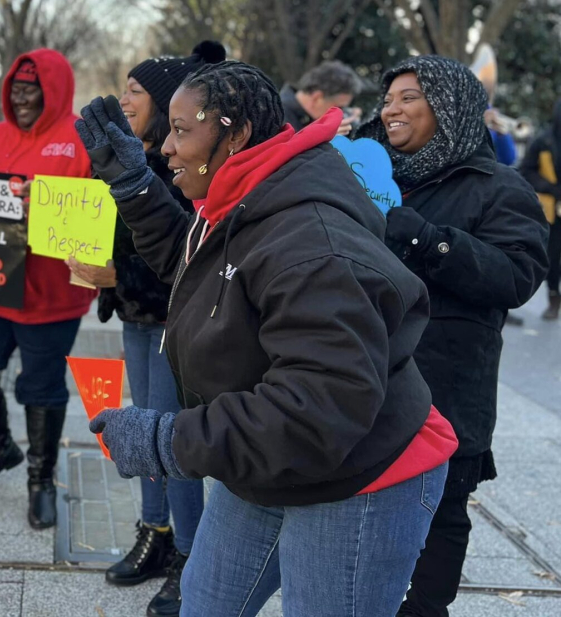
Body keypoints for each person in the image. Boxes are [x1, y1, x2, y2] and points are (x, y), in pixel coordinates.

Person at [76, 62, 458, 616]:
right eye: (170, 129)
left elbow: (320, 407)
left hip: (361, 475)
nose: (165, 148)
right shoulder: (249, 193)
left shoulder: (309, 239)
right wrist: (134, 188)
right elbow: (198, 265)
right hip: (266, 460)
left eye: (183, 131)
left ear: (237, 134)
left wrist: (168, 439)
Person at [356, 55, 548, 617]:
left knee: (439, 511)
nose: (391, 108)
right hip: (364, 374)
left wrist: (429, 240)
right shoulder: (367, 175)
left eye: (408, 97)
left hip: (447, 381)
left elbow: (517, 276)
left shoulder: (497, 186)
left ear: (450, 106)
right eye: (388, 98)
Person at [68, 42, 222, 617]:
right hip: (135, 317)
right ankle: (154, 530)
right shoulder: (122, 158)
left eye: (135, 90)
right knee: (139, 428)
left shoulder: (180, 168)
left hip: (173, 323)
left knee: (169, 435)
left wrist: (118, 271)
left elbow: (187, 255)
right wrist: (92, 264)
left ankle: (189, 552)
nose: (123, 98)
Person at [0, 50, 96, 530]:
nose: (23, 99)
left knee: (40, 389)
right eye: (16, 91)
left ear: (56, 92)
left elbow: (95, 221)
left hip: (50, 297)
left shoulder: (81, 140)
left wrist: (39, 209)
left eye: (33, 91)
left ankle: (40, 479)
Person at [521, 99, 561, 320]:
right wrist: (552, 189)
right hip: (553, 211)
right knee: (552, 258)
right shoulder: (543, 141)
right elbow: (526, 170)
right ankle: (554, 298)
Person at [280, 60, 361, 136]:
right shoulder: (277, 117)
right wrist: (323, 138)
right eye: (339, 108)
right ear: (317, 97)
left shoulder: (305, 115)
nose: (341, 114)